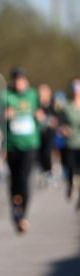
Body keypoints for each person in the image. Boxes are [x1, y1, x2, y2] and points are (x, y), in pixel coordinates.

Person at [0, 67, 41, 233]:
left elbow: (43, 112)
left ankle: (23, 215)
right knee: (14, 180)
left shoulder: (33, 95)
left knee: (24, 179)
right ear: (12, 81)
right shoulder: (5, 96)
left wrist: (39, 116)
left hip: (30, 143)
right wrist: (3, 115)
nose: (20, 83)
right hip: (11, 145)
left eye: (22, 79)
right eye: (16, 79)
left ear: (26, 80)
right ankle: (15, 208)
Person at [58, 78, 80, 207]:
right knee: (71, 171)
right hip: (71, 144)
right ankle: (70, 186)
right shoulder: (66, 107)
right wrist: (63, 129)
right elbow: (60, 125)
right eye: (75, 90)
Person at [36, 83, 57, 186]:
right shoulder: (36, 105)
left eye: (44, 91)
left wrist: (55, 121)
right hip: (38, 132)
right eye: (40, 92)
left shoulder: (54, 104)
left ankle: (49, 173)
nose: (42, 94)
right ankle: (43, 172)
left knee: (47, 152)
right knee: (39, 153)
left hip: (50, 132)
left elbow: (59, 117)